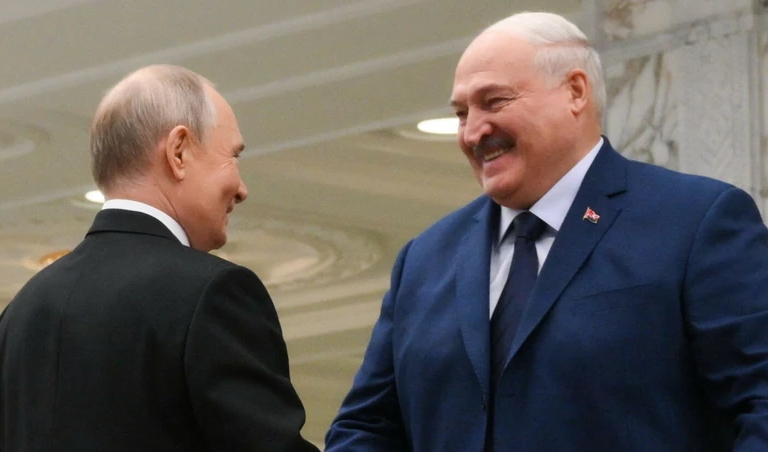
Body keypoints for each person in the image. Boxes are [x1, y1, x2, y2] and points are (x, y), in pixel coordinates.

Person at [325, 11, 768, 452]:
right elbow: (366, 429)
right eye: (461, 113)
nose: (473, 133)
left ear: (575, 91)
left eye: (494, 101)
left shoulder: (693, 222)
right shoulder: (425, 261)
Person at [0, 65, 319, 452]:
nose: (242, 188)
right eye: (233, 155)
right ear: (178, 151)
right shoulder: (213, 293)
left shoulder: (18, 315)